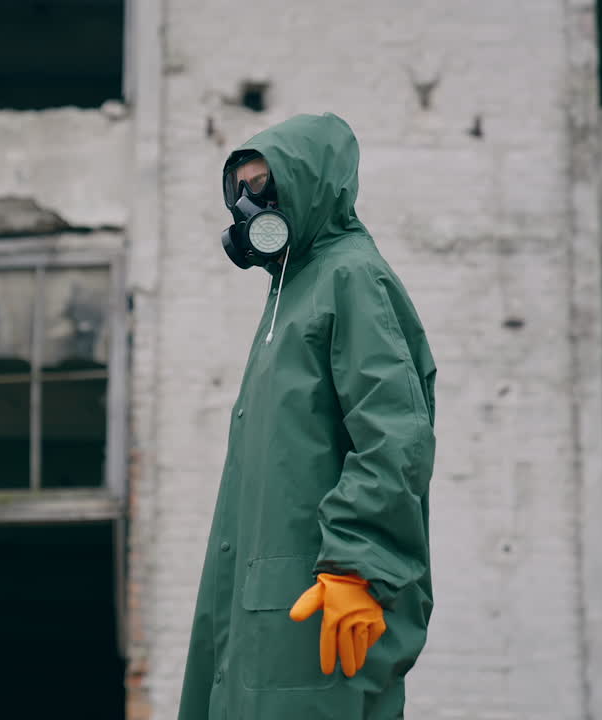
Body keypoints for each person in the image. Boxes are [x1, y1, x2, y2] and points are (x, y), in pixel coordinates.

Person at [177, 113, 437, 719]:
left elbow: (394, 435)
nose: (250, 205)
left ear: (314, 184)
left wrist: (356, 565)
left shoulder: (350, 276)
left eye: (265, 186)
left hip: (321, 602)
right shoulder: (290, 293)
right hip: (259, 609)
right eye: (239, 190)